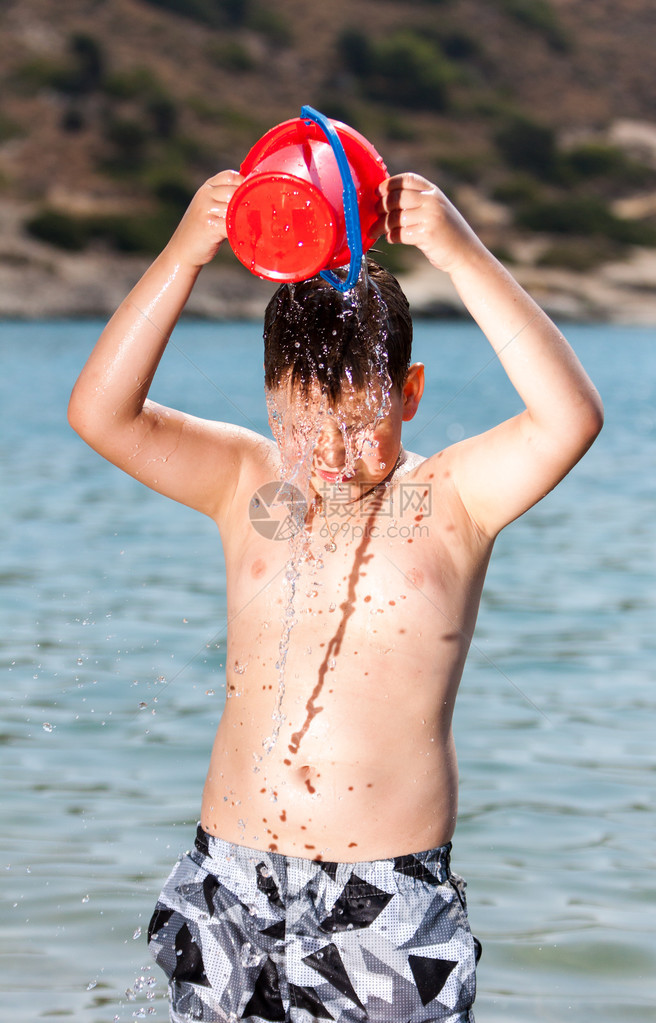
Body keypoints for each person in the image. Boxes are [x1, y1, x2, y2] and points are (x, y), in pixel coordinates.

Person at [68, 168, 603, 1023]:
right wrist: (186, 251)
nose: (331, 448)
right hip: (232, 878)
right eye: (303, 418)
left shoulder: (452, 499)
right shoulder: (247, 480)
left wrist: (457, 251)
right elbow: (102, 413)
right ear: (270, 402)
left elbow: (569, 417)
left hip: (383, 891)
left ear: (413, 394)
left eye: (362, 419)